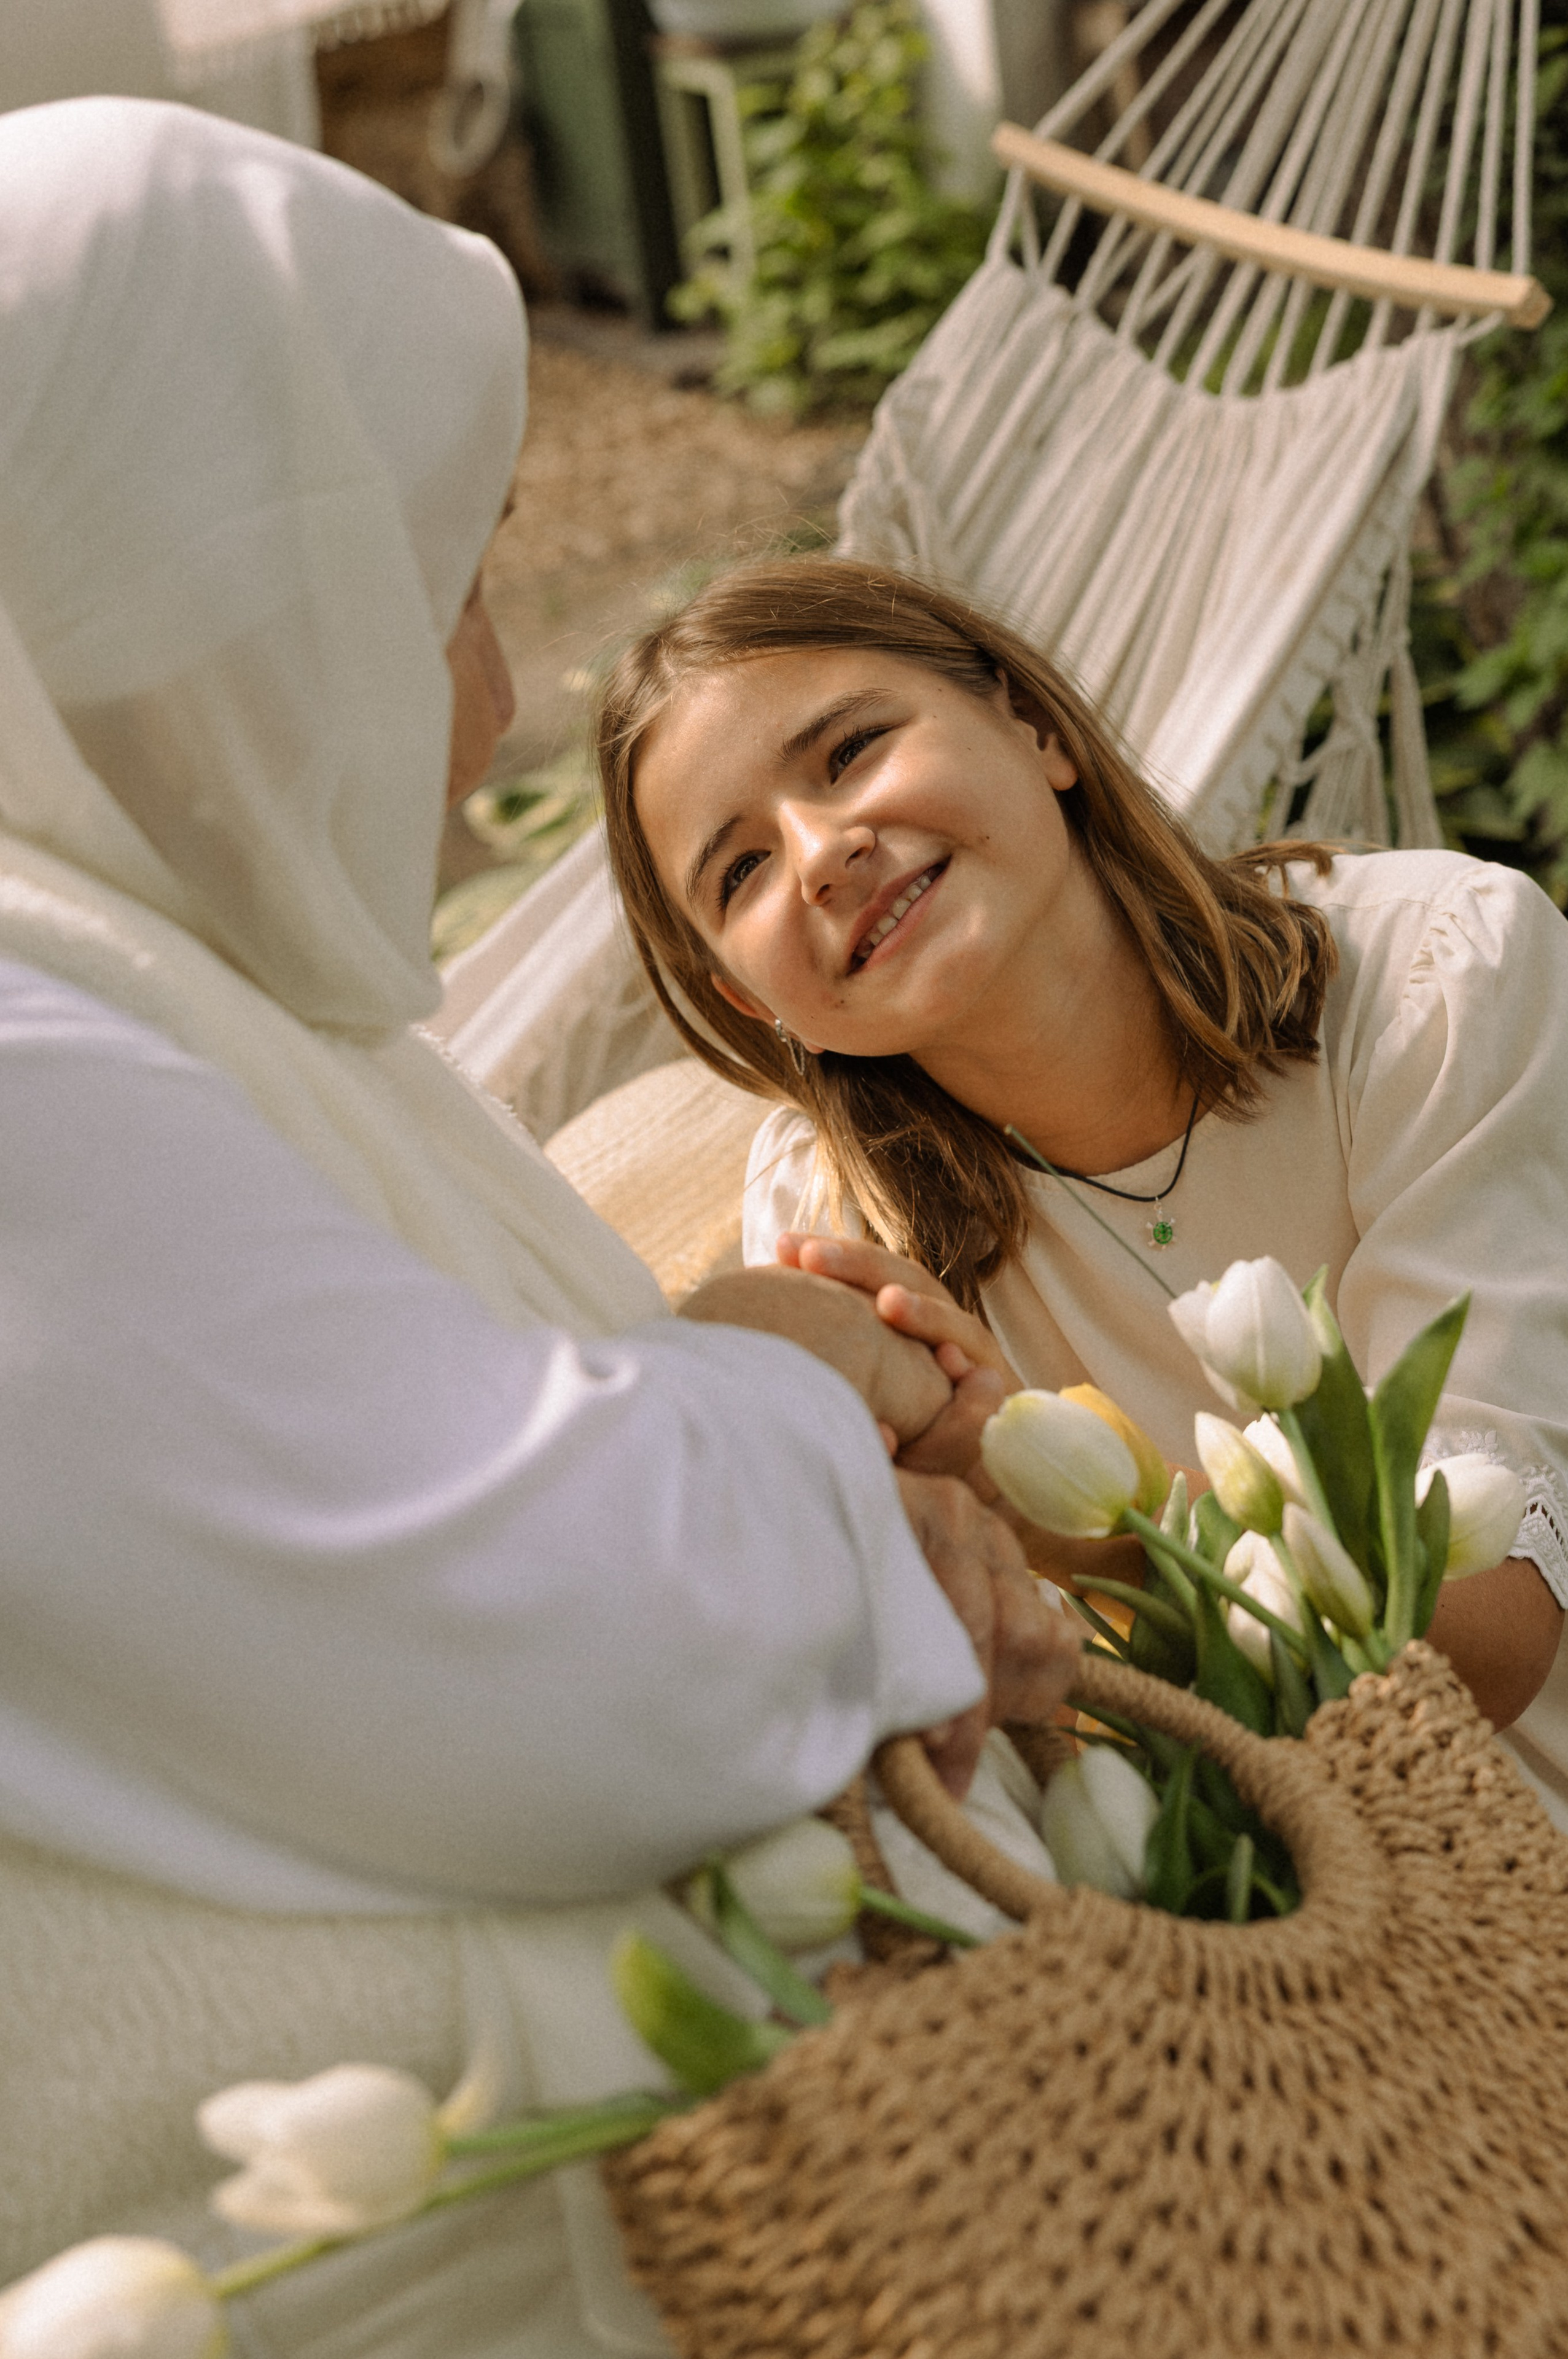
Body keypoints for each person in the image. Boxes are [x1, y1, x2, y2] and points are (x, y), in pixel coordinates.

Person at [0, 101, 1080, 2347]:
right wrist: (796, 1396)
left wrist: (794, 1445)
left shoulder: (149, 974)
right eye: (442, 578)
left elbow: (374, 1479)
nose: (484, 699)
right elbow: (576, 1641)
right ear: (219, 587)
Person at [599, 555, 1568, 1771]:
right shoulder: (827, 1214)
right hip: (1239, 1919)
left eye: (848, 753)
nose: (818, 854)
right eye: (738, 872)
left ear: (1033, 723)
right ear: (746, 1002)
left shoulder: (1438, 978)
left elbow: (1481, 1637)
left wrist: (1060, 1506)